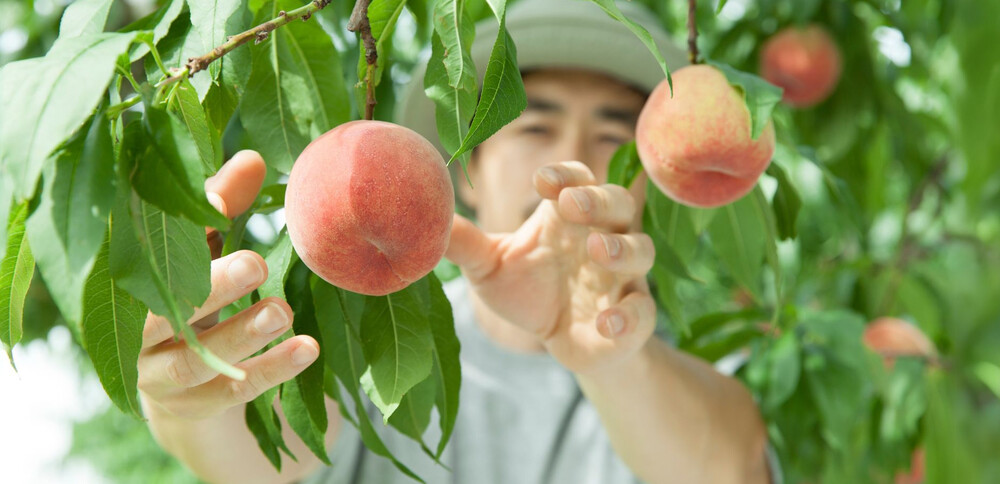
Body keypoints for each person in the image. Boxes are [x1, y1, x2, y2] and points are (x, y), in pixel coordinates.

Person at [136, 1, 776, 483]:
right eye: (534, 125)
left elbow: (735, 466)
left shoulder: (681, 377)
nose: (574, 155)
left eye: (613, 135)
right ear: (469, 163)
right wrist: (190, 389)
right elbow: (259, 457)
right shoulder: (366, 352)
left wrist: (614, 362)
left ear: (645, 173)